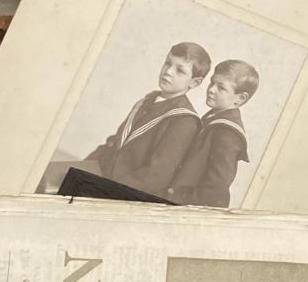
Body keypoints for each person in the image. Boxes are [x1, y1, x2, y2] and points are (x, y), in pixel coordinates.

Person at [84, 42, 210, 195]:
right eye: (168, 63)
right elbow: (115, 144)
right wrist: (80, 169)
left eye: (180, 71)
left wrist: (102, 188)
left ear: (195, 82)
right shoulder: (147, 101)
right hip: (101, 178)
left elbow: (156, 176)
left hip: (122, 192)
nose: (168, 72)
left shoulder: (184, 120)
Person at [168, 60, 258, 207]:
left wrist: (186, 203)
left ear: (240, 99)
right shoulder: (212, 117)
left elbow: (216, 185)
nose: (211, 89)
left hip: (195, 207)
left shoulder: (228, 134)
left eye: (221, 88)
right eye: (212, 83)